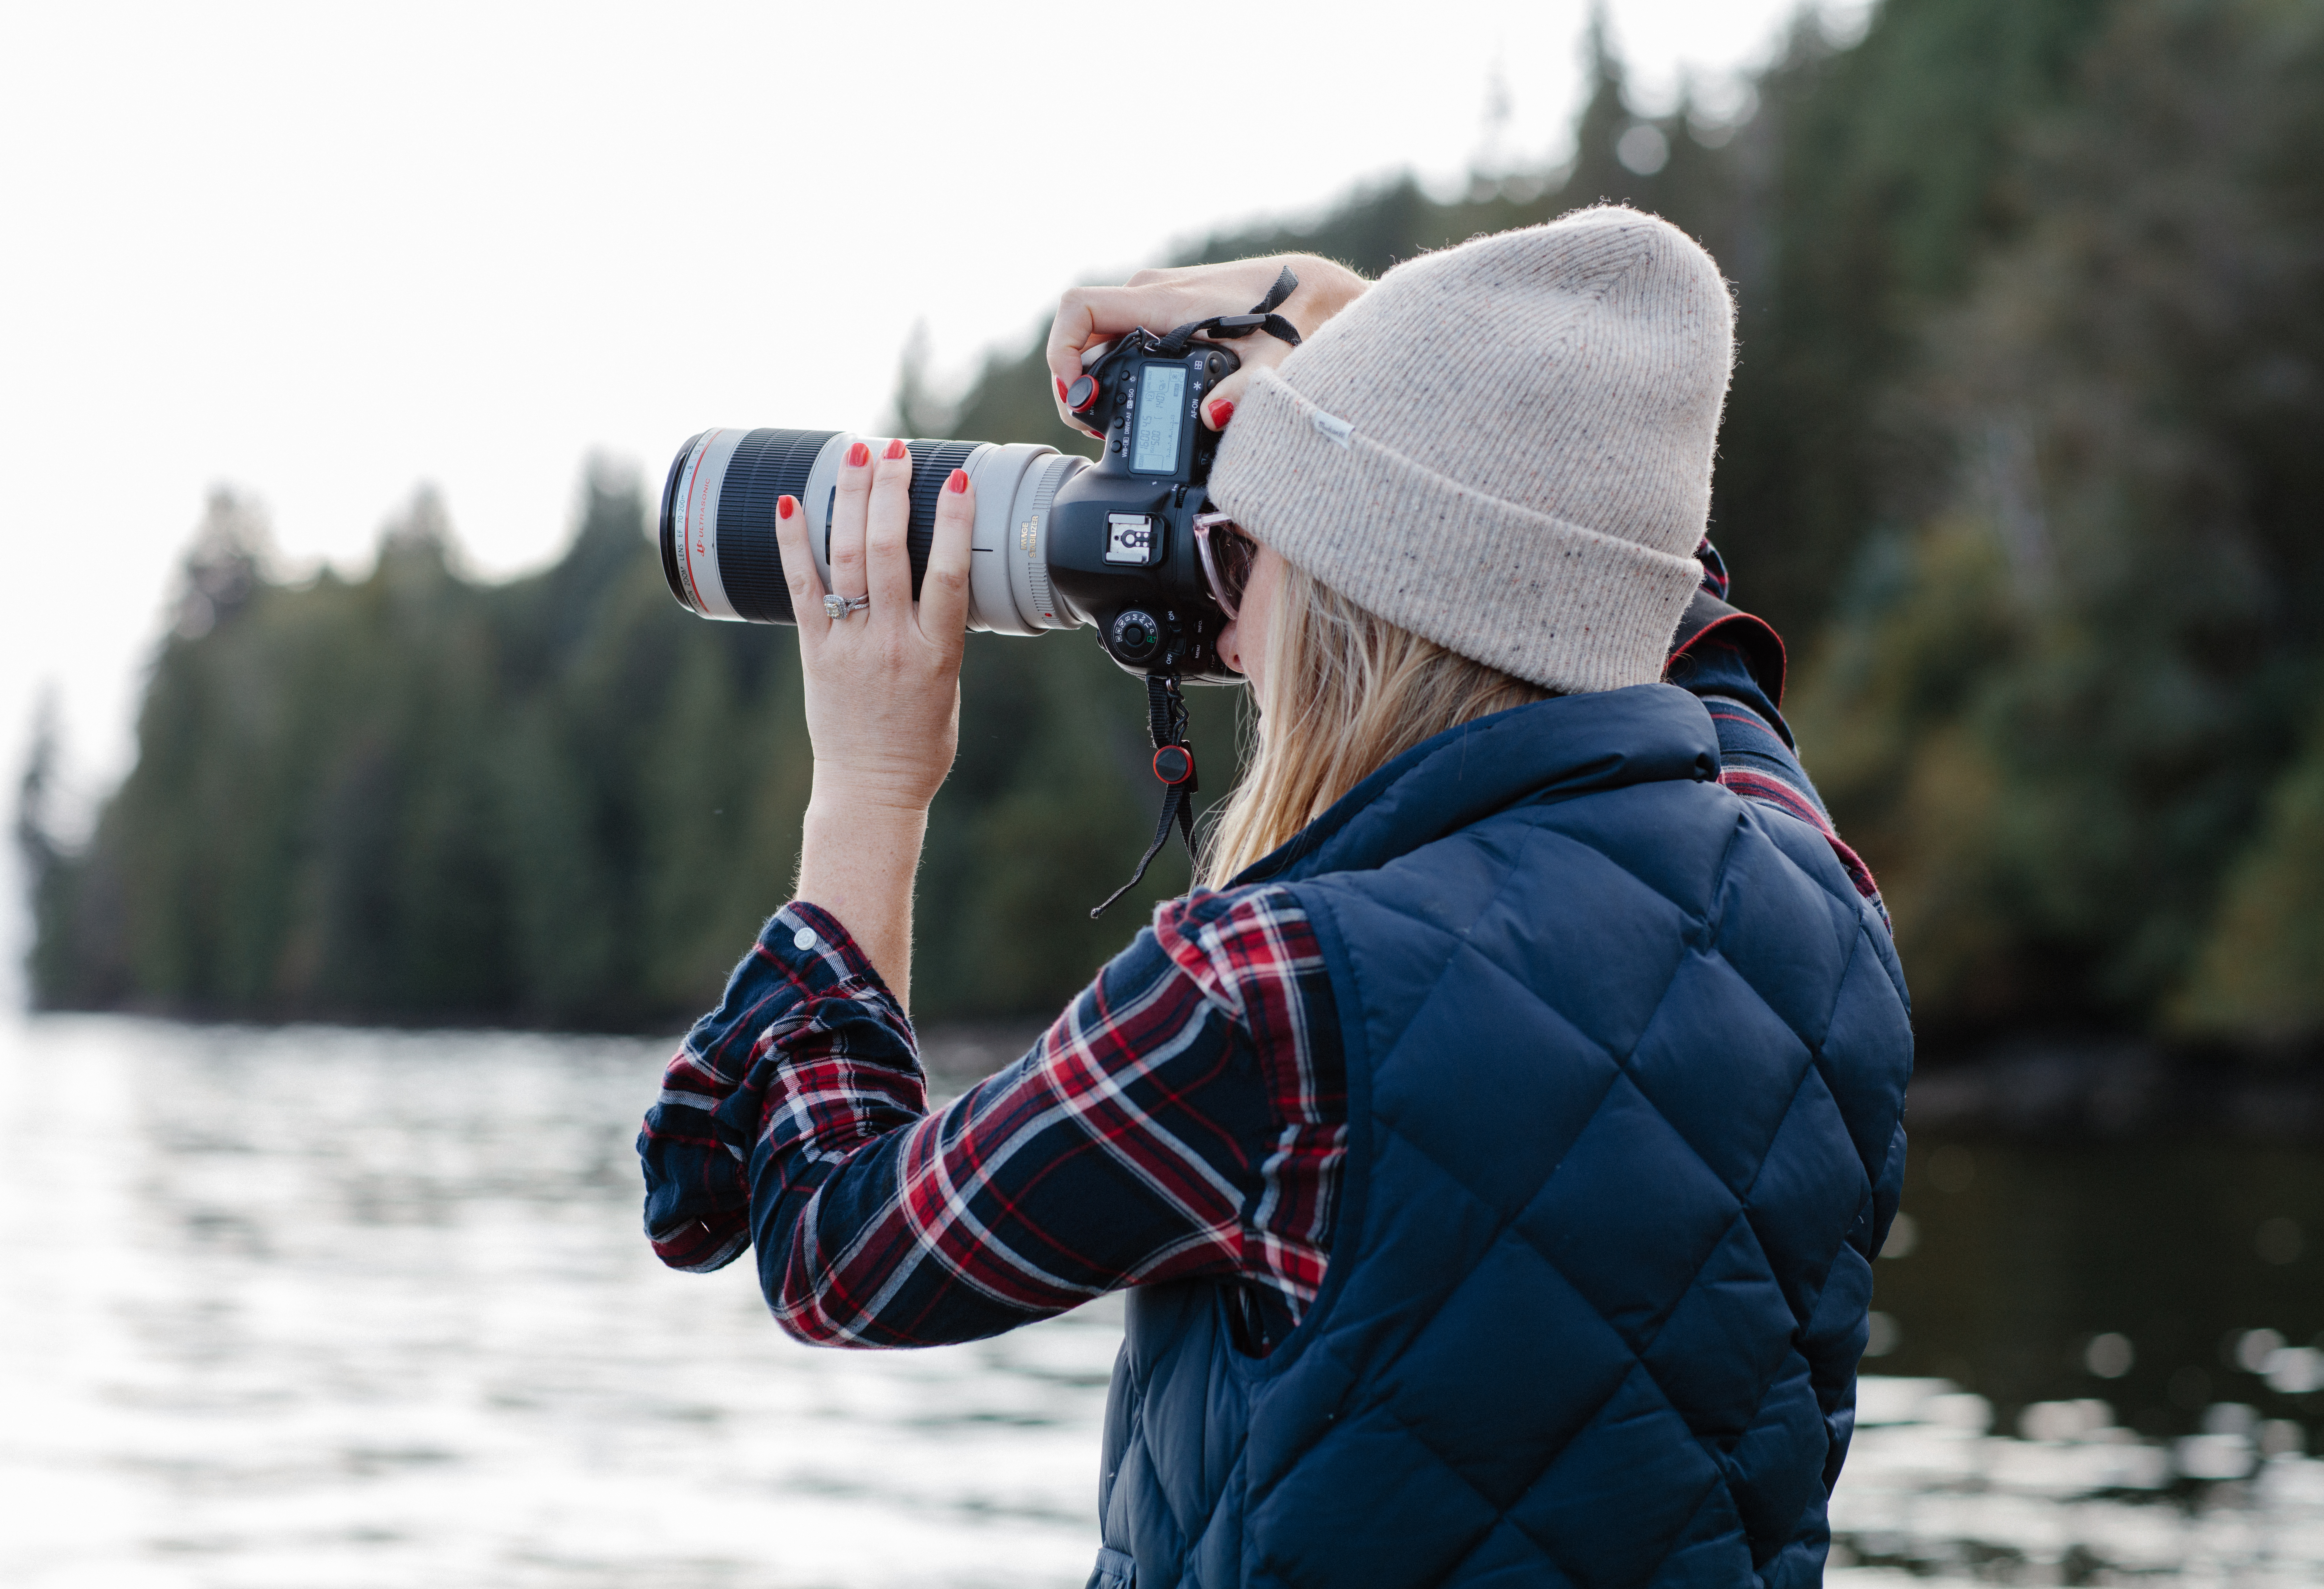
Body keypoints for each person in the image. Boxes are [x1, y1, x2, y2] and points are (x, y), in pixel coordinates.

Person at [640, 209, 1912, 1588]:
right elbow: (1635, 587)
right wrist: (1372, 351)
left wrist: (872, 787)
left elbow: (844, 1248)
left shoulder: (1279, 991)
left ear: (1361, 604)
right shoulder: (1821, 913)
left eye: (1245, 555)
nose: (1229, 626)